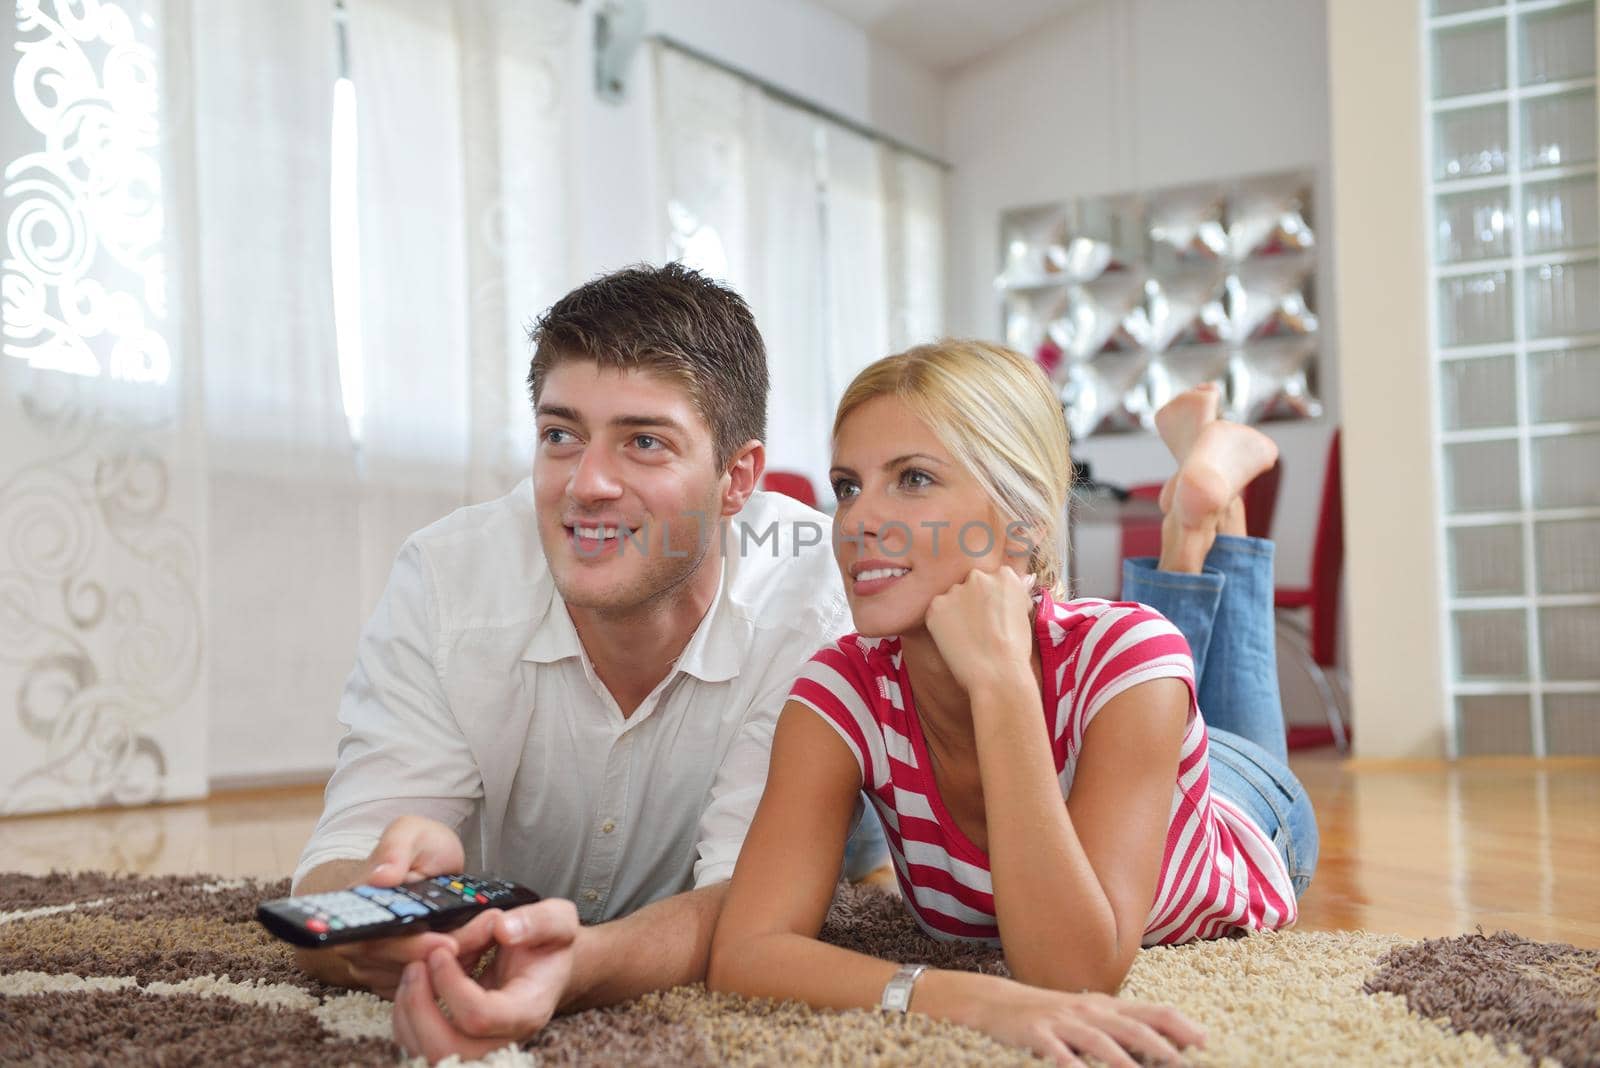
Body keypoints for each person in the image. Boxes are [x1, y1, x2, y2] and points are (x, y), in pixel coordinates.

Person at [289, 263, 889, 1059]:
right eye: (560, 436)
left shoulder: (812, 596)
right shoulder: (447, 582)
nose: (588, 484)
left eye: (644, 442)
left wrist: (578, 969)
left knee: (852, 881)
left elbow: (751, 910)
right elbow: (323, 891)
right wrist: (380, 901)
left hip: (812, 825)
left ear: (737, 478)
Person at [705, 341, 1318, 1067]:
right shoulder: (837, 692)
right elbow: (746, 952)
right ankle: (1197, 502)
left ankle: (1208, 514)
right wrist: (956, 998)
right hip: (1121, 731)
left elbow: (1076, 974)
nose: (858, 519)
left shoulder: (1127, 655)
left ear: (1024, 524)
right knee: (1147, 669)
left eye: (912, 479)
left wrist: (1000, 683)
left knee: (1167, 662)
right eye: (847, 486)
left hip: (1248, 809)